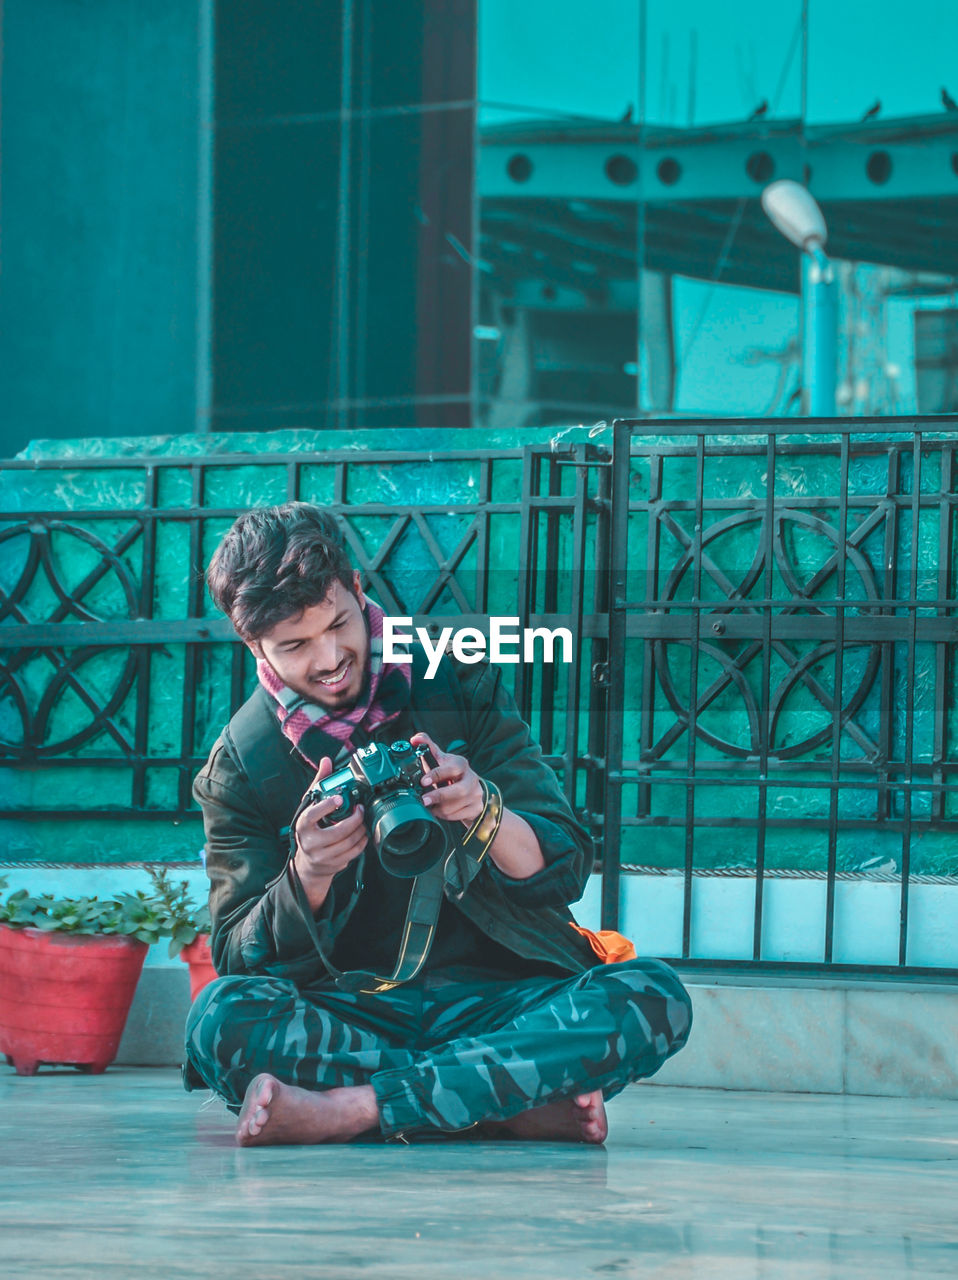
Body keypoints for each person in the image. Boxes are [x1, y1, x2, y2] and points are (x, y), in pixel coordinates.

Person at [184, 502, 692, 1146]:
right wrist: (307, 873)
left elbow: (565, 867)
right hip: (353, 1011)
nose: (333, 657)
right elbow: (236, 957)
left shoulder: (457, 680)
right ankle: (501, 1102)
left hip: (496, 1000)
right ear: (251, 643)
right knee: (219, 1019)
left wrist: (485, 810)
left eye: (340, 623)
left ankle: (353, 1109)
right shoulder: (243, 763)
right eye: (296, 645)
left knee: (651, 994)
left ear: (358, 589)